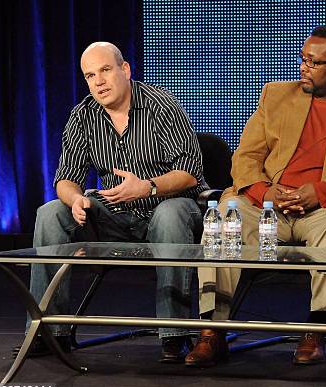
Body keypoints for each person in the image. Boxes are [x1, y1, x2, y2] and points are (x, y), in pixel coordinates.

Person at [186, 25, 326, 368]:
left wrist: (321, 193)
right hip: (267, 206)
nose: (303, 67)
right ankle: (212, 330)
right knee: (227, 215)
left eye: (314, 62)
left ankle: (316, 329)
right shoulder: (276, 95)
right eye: (303, 58)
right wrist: (264, 192)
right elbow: (245, 158)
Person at [24, 42, 208, 364]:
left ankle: (174, 333)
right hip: (118, 215)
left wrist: (147, 187)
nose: (99, 82)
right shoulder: (83, 115)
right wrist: (76, 198)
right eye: (90, 75)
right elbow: (65, 179)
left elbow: (190, 173)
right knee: (51, 212)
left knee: (169, 212)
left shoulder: (161, 106)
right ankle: (50, 331)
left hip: (171, 207)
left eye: (105, 70)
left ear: (125, 70)